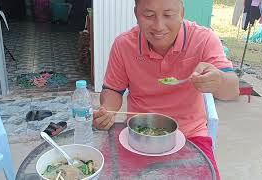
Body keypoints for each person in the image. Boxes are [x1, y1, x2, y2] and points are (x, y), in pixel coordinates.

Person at [93, 0, 240, 179]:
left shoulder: (203, 39)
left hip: (191, 135)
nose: (158, 26)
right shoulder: (123, 45)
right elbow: (113, 90)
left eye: (168, 15)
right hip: (138, 136)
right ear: (136, 13)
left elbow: (232, 89)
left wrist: (219, 81)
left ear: (182, 13)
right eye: (148, 15)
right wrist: (107, 111)